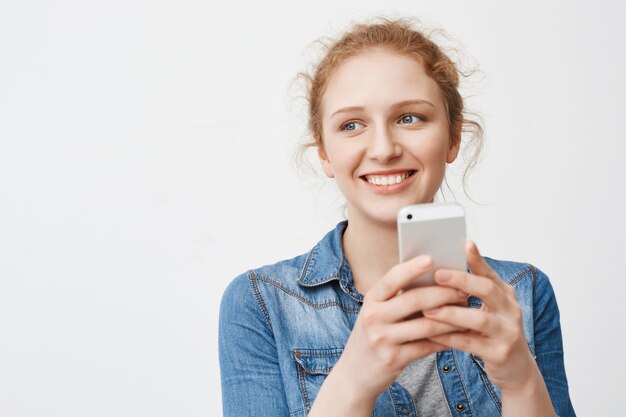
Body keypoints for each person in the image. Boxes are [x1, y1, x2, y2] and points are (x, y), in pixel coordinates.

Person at [218, 18, 576, 417]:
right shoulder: (260, 303)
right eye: (351, 125)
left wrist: (521, 379)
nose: (384, 149)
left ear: (454, 137)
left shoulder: (522, 292)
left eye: (410, 118)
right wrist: (353, 379)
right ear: (324, 154)